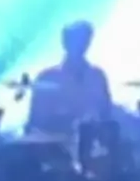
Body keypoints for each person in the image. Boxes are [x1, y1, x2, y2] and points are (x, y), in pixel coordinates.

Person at [27, 21, 112, 153]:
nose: (80, 45)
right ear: (65, 43)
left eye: (84, 39)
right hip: (56, 149)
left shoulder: (97, 76)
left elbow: (107, 114)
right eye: (75, 40)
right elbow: (36, 123)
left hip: (93, 149)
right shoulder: (47, 78)